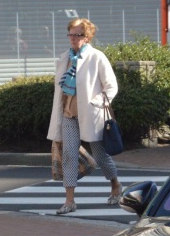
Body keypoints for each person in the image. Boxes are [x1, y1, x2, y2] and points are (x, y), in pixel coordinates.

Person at [45, 17, 122, 215]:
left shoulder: (97, 57)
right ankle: (69, 201)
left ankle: (115, 184)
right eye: (70, 34)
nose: (73, 38)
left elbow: (111, 86)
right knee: (69, 155)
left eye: (77, 34)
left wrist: (96, 103)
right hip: (69, 115)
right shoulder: (64, 58)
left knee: (100, 155)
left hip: (91, 115)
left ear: (87, 37)